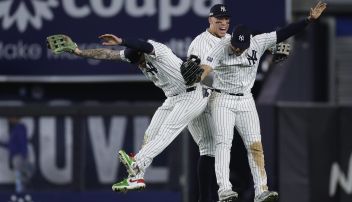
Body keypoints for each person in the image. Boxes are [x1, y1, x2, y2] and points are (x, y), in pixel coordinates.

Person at [195, 2, 327, 202]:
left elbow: (285, 33)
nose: (238, 50)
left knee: (255, 145)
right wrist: (197, 76)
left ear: (249, 42)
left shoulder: (258, 42)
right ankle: (224, 189)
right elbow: (206, 66)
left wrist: (308, 20)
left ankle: (261, 190)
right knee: (223, 144)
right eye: (236, 46)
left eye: (242, 47)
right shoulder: (221, 46)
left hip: (246, 99)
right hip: (222, 98)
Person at [48, 34, 213, 191]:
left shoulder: (156, 50)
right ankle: (136, 178)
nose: (139, 64)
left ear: (142, 54)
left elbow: (142, 44)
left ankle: (137, 163)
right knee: (150, 134)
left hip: (193, 94)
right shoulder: (134, 54)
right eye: (135, 62)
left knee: (166, 133)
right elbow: (107, 54)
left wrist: (121, 40)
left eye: (139, 60)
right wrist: (78, 51)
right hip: (173, 97)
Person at [187, 3, 290, 202]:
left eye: (226, 20)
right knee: (213, 147)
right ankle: (211, 194)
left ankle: (258, 190)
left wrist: (273, 49)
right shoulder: (199, 44)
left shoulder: (230, 38)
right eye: (219, 20)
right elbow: (197, 74)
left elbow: (253, 41)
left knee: (241, 145)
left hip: (239, 97)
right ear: (210, 20)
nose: (223, 23)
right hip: (208, 96)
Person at [0, 116, 32, 193]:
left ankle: (20, 191)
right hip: (17, 155)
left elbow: (22, 142)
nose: (9, 120)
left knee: (21, 174)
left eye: (11, 118)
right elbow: (11, 145)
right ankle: (20, 190)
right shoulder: (15, 129)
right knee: (20, 174)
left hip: (19, 155)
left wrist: (24, 155)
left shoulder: (20, 127)